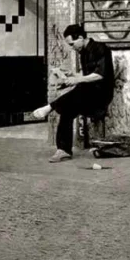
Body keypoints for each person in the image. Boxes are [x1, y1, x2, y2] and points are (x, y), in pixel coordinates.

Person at [32, 24, 115, 162]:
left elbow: (100, 75)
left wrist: (76, 79)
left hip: (100, 95)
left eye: (72, 44)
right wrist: (71, 75)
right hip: (86, 95)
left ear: (81, 38)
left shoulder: (101, 49)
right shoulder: (83, 53)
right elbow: (86, 74)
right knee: (67, 109)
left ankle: (50, 107)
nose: (72, 47)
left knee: (80, 88)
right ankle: (63, 150)